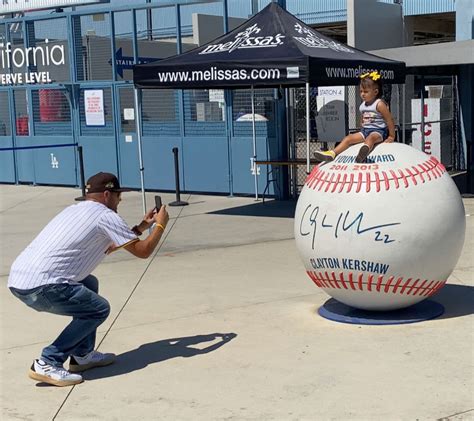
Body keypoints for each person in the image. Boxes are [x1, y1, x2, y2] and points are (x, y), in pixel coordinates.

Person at [7, 172, 169, 387]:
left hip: (20, 280)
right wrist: (160, 225)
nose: (120, 200)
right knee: (98, 309)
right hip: (43, 286)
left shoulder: (75, 210)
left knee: (89, 284)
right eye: (118, 195)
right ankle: (47, 361)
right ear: (106, 194)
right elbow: (143, 251)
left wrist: (141, 227)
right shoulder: (105, 215)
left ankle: (82, 355)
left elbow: (110, 246)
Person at [314, 71, 396, 163]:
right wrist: (362, 125)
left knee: (371, 139)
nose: (362, 94)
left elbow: (389, 120)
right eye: (361, 91)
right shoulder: (363, 105)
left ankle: (363, 152)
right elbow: (363, 117)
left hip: (378, 132)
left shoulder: (379, 104)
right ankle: (332, 153)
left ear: (375, 92)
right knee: (348, 138)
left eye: (366, 92)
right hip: (365, 131)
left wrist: (391, 136)